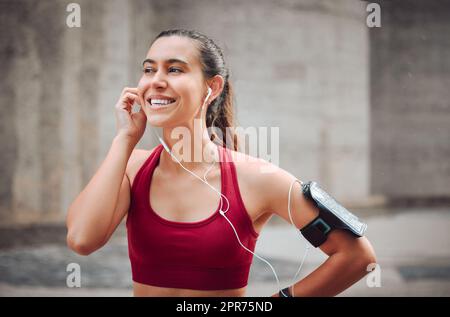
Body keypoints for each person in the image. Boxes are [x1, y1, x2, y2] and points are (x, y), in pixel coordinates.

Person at [66, 29, 376, 297]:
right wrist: (124, 139)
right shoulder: (132, 165)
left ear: (211, 88)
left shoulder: (257, 178)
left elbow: (357, 257)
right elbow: (82, 240)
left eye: (174, 69)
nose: (156, 81)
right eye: (149, 69)